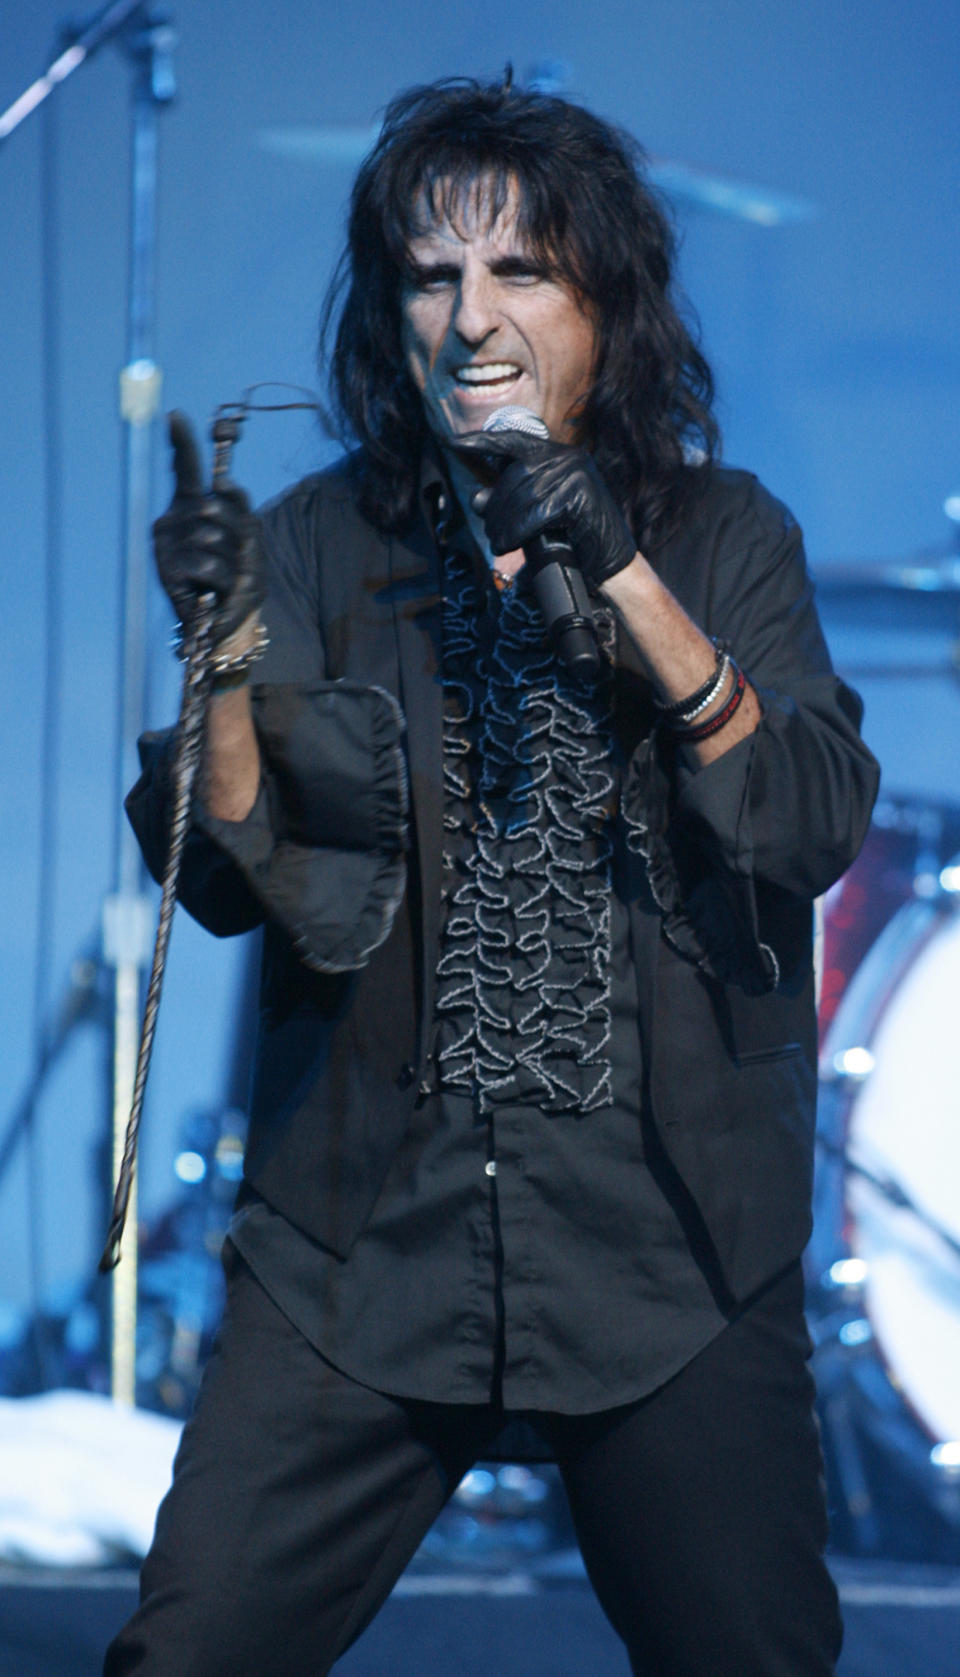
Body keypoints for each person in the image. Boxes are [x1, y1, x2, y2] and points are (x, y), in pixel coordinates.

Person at [106, 74, 879, 1677]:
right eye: (431, 274)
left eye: (520, 270)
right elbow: (239, 875)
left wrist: (622, 569)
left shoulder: (728, 533)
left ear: (605, 300)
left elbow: (806, 821)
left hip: (668, 1250)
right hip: (361, 1247)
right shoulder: (323, 537)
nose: (472, 318)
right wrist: (226, 650)